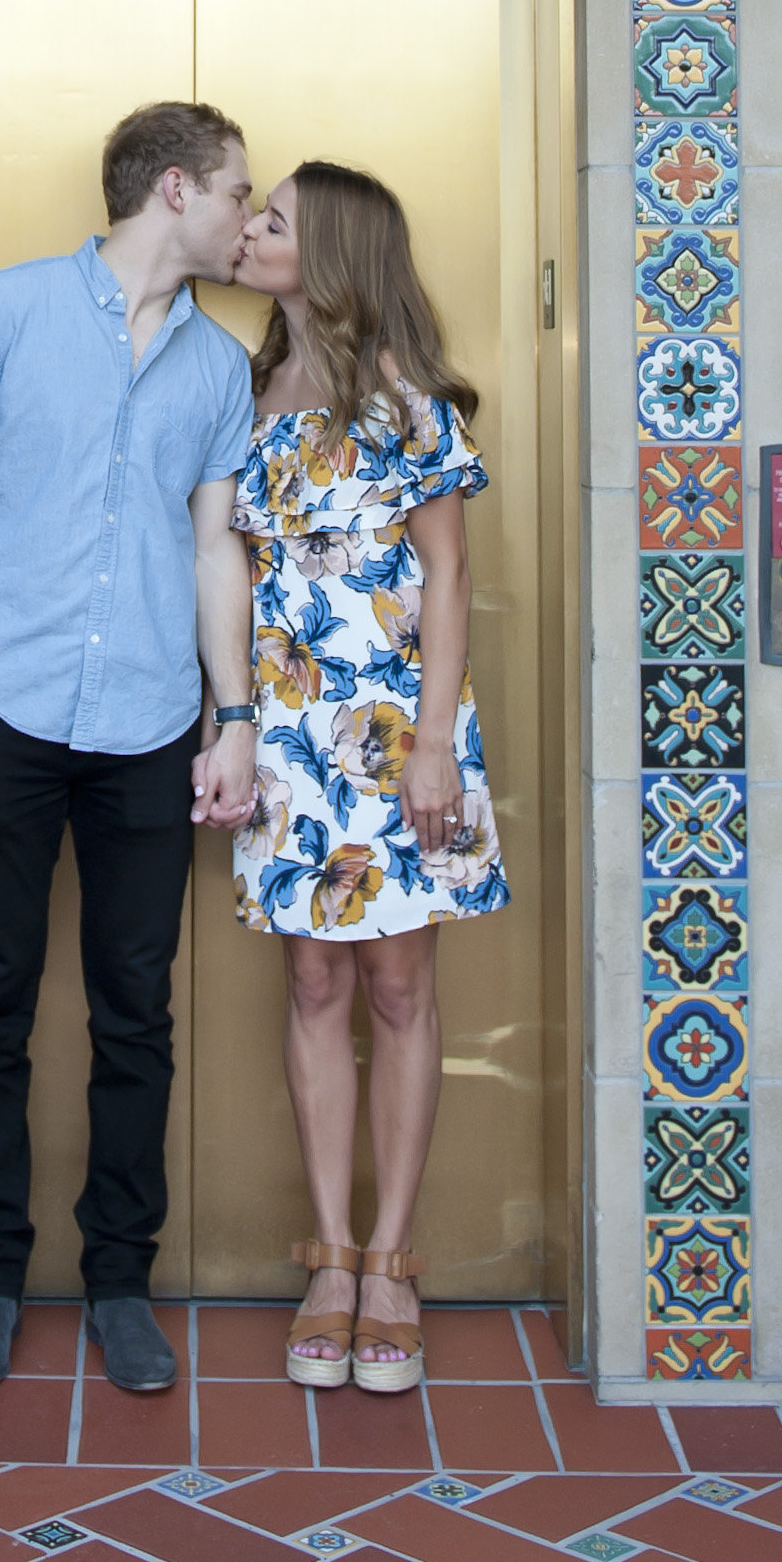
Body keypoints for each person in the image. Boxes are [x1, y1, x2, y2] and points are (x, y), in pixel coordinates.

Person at [0, 102, 260, 1393]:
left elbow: (217, 545)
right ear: (175, 190)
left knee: (136, 1013)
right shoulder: (5, 310)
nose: (245, 217)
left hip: (150, 727)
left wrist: (234, 715)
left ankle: (121, 1280)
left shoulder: (220, 370)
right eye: (235, 194)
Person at [201, 162, 508, 1392]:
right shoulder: (242, 385)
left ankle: (392, 1263)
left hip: (397, 733)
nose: (248, 230)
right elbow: (225, 558)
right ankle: (329, 1259)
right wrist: (230, 722)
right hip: (282, 734)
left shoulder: (404, 397)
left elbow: (446, 576)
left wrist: (432, 743)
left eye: (270, 219)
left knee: (396, 984)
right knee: (314, 982)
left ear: (326, 252)